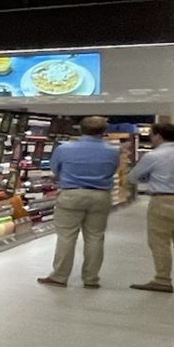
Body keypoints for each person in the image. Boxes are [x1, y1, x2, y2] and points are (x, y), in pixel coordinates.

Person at [39, 116, 119, 289]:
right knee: (95, 237)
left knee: (66, 236)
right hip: (100, 196)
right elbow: (112, 171)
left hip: (71, 194)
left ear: (80, 129)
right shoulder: (112, 151)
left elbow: (55, 169)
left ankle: (60, 276)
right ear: (104, 132)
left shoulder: (64, 149)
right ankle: (91, 279)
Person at [125, 121, 174, 294]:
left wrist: (148, 179)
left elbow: (134, 177)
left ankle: (162, 280)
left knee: (159, 241)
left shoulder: (154, 156)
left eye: (151, 135)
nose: (150, 138)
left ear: (158, 136)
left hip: (164, 201)